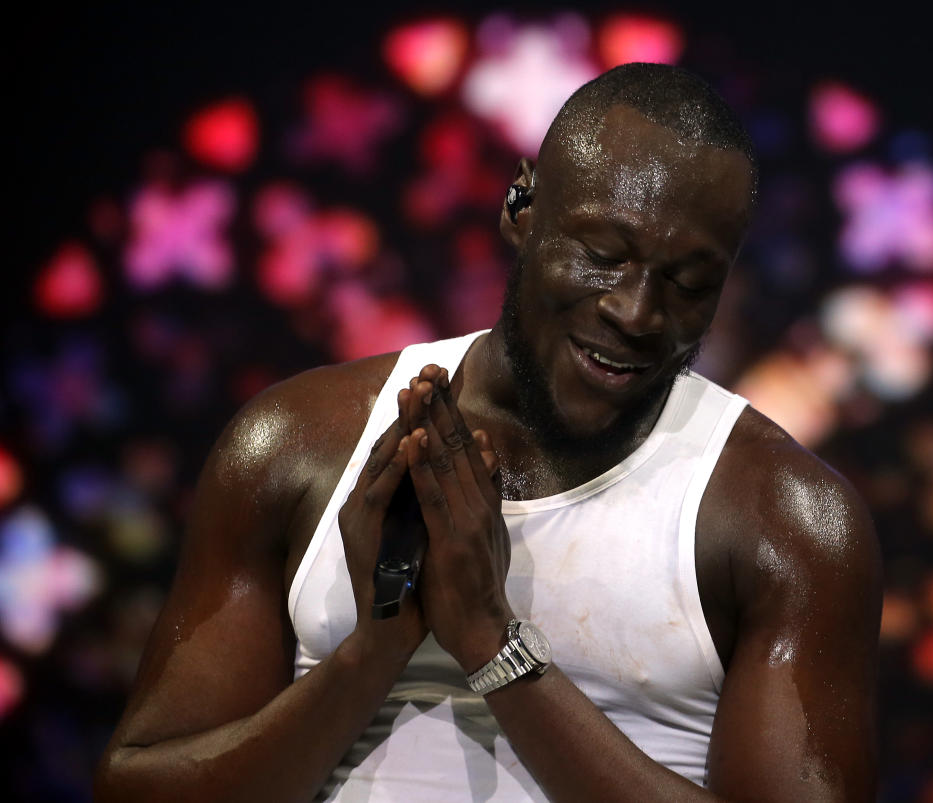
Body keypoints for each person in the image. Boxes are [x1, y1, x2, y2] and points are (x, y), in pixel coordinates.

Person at [94, 63, 882, 802]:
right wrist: (375, 649)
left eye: (688, 283)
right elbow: (138, 787)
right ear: (520, 207)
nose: (636, 312)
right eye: (603, 255)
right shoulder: (298, 445)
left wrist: (490, 639)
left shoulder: (784, 517)